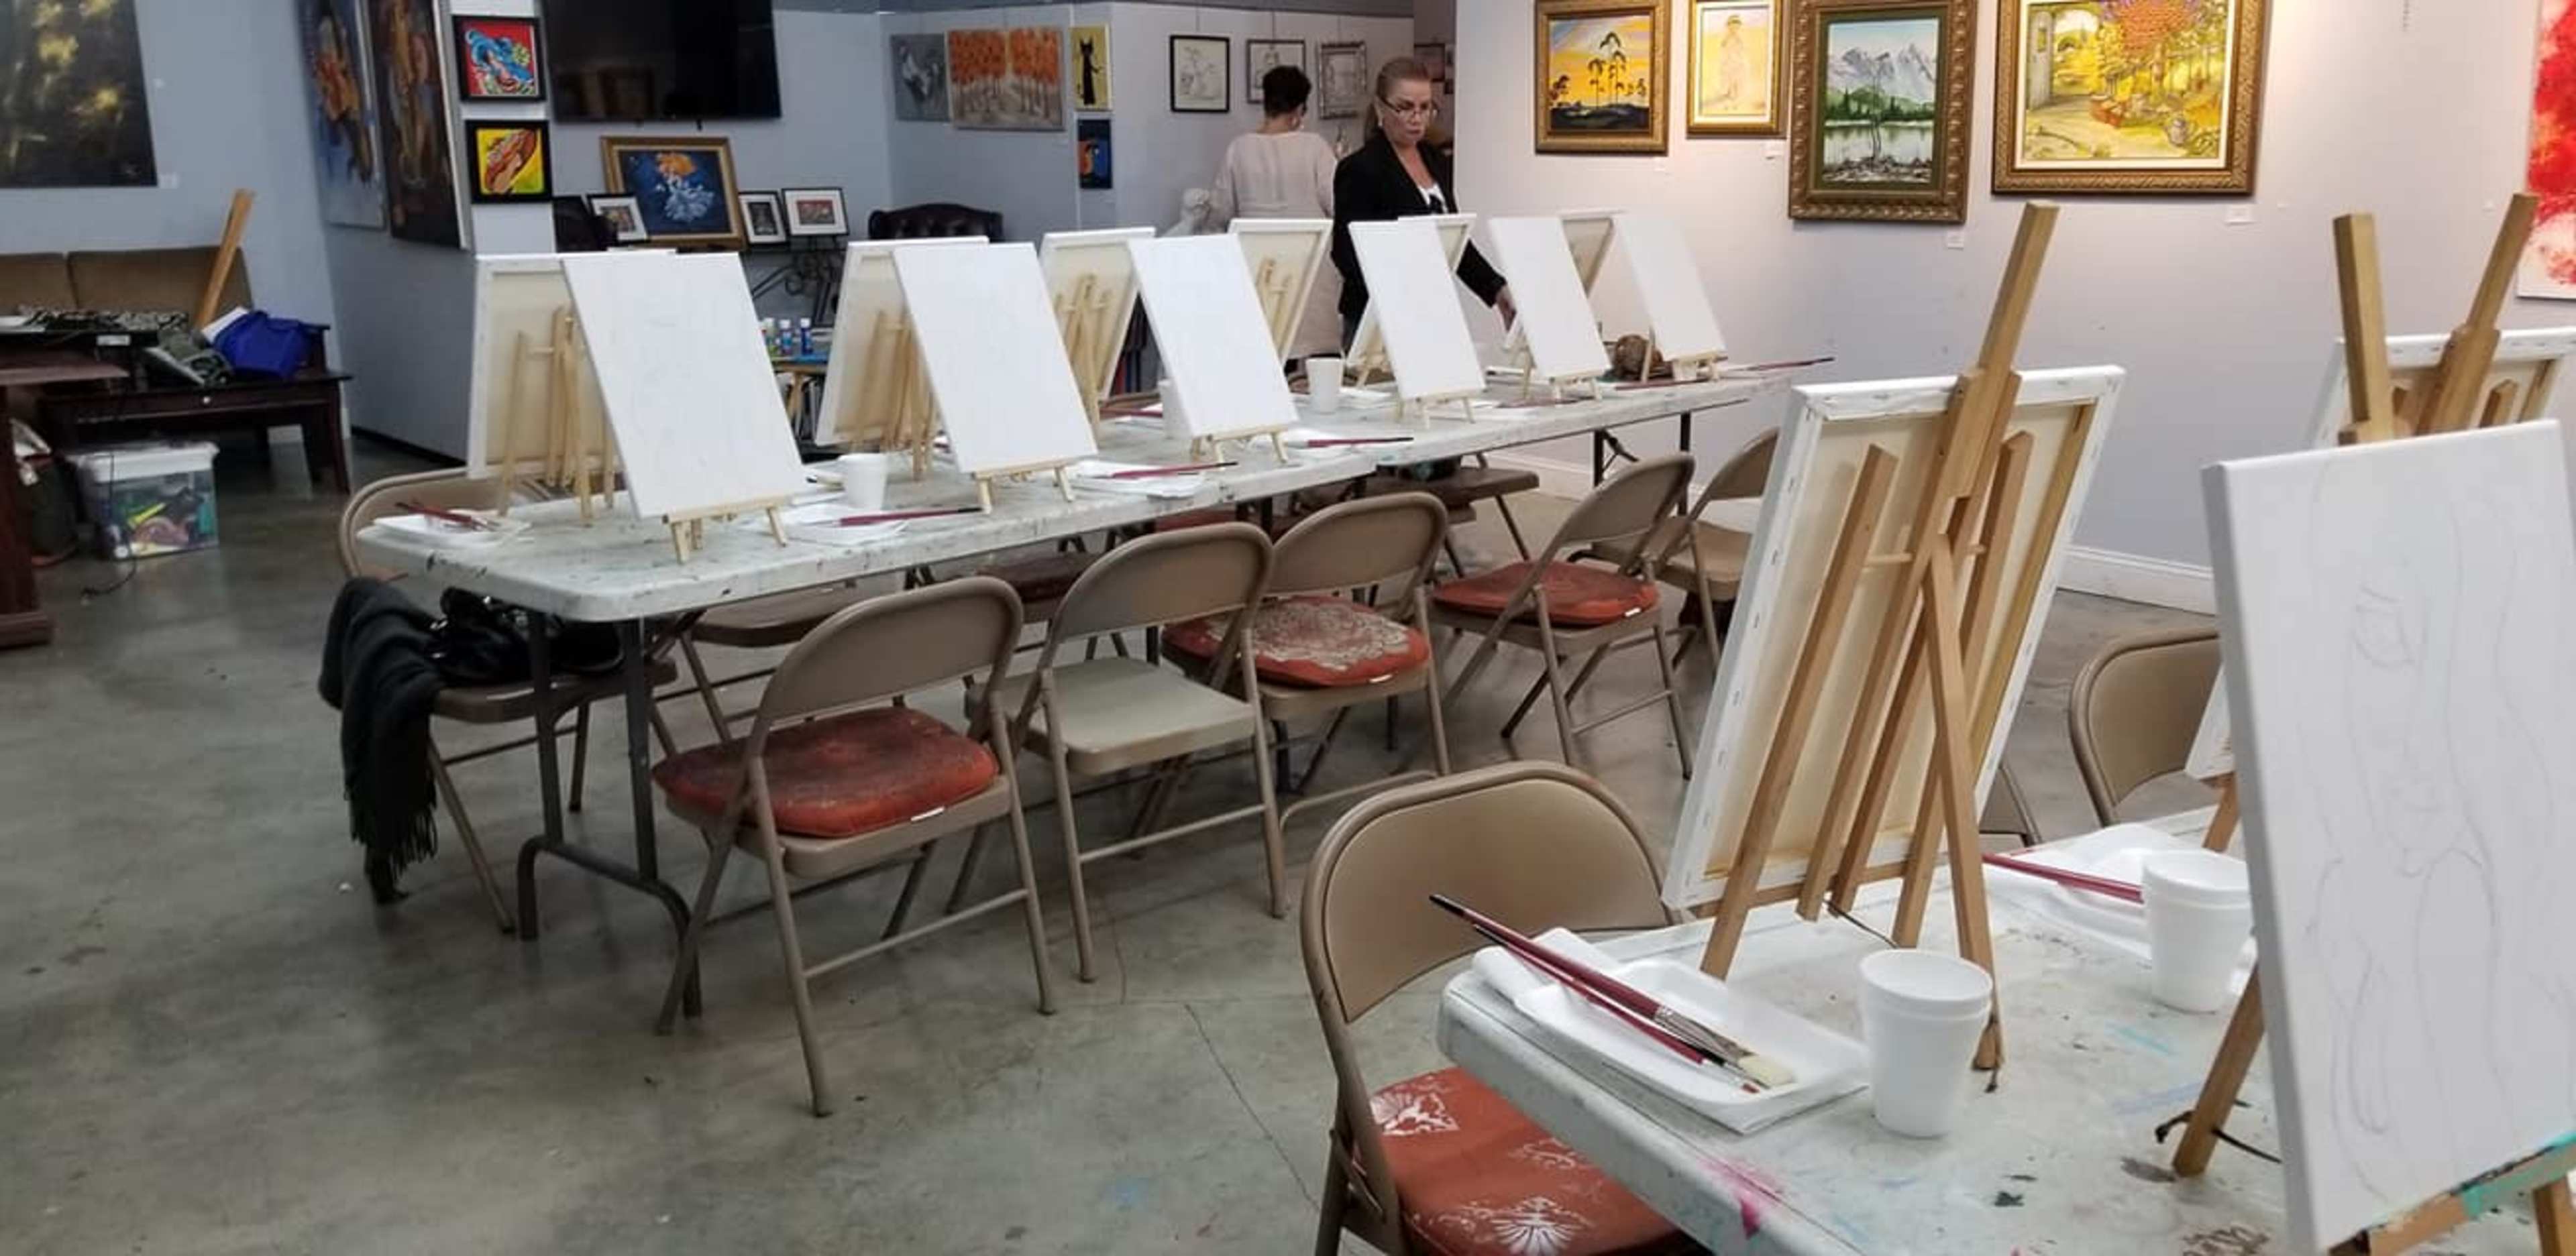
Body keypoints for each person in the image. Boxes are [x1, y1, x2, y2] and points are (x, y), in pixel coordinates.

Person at [1330, 56, 1513, 349]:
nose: (1417, 118)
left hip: (1430, 311)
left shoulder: (1435, 160)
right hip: (1376, 319)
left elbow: (1454, 240)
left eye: (1425, 108)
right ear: (1380, 109)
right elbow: (1346, 253)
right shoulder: (1362, 168)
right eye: (1404, 108)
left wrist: (1496, 288)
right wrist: (1397, 287)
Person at [1206, 66, 1343, 360]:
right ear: (1300, 109)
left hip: (1259, 269)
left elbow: (1219, 214)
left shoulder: (1238, 150)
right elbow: (1338, 204)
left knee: (1265, 355)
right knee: (1314, 371)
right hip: (1310, 269)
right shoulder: (1315, 148)